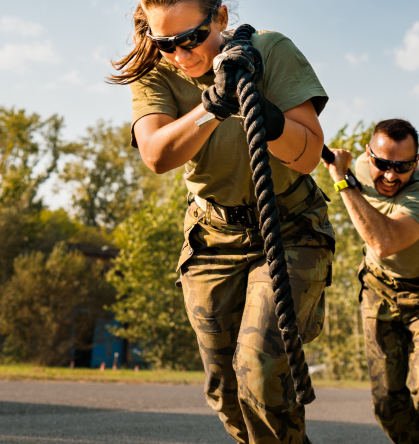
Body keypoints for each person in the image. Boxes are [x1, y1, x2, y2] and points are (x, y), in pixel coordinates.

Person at [110, 1, 333, 442]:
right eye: (165, 42)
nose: (181, 54)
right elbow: (156, 155)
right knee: (226, 391)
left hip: (288, 229)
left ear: (220, 17)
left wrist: (268, 120)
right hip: (213, 236)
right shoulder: (157, 72)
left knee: (260, 368)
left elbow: (308, 156)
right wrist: (214, 105)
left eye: (191, 38)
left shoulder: (269, 51)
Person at [322, 119, 419, 444]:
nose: (391, 175)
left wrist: (341, 181)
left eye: (402, 166)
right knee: (388, 405)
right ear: (369, 155)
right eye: (382, 164)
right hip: (379, 289)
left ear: (416, 163)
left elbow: (384, 242)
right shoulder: (359, 167)